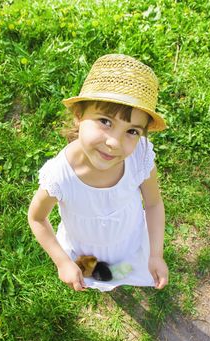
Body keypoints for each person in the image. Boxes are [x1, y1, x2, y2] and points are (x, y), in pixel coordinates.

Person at [28, 54, 169, 292]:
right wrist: (62, 262)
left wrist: (155, 254)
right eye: (105, 121)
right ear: (79, 115)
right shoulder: (60, 176)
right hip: (85, 247)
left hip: (127, 240)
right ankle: (94, 273)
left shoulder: (139, 157)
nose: (114, 142)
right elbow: (37, 218)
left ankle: (115, 276)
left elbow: (153, 204)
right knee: (90, 270)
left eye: (132, 131)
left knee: (120, 270)